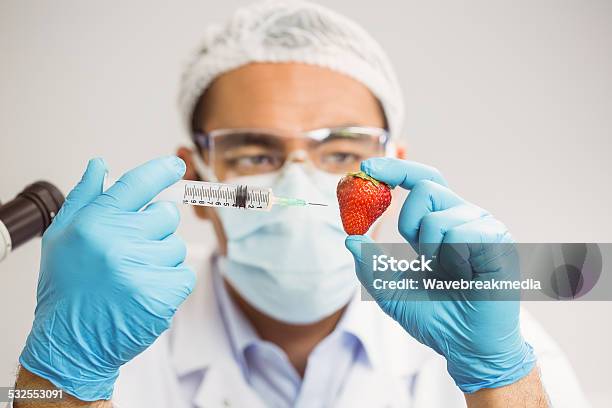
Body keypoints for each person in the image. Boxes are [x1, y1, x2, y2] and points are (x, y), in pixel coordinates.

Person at [12, 1, 590, 407]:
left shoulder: (494, 334)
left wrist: (498, 380)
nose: (298, 182)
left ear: (392, 174)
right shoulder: (103, 328)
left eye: (340, 152)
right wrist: (61, 381)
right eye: (254, 154)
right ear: (199, 182)